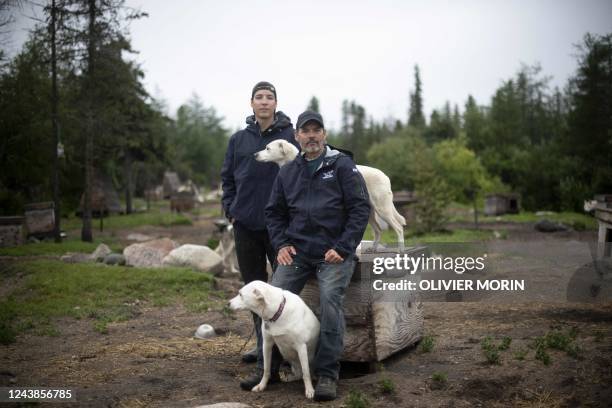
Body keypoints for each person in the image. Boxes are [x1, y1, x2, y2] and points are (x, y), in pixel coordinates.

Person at [262, 110, 371, 401]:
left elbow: (360, 209)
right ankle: (269, 370)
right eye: (305, 131)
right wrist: (281, 244)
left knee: (330, 300)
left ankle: (327, 374)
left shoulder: (342, 166)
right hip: (297, 252)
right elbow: (274, 212)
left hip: (333, 253)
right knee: (272, 298)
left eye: (316, 130)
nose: (311, 136)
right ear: (296, 136)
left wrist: (344, 247)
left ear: (323, 134)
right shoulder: (288, 172)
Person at [220, 81, 297, 366]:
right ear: (252, 104)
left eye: (269, 97)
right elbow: (227, 178)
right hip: (246, 224)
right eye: (259, 97)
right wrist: (230, 210)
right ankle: (261, 344)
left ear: (275, 103)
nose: (264, 102)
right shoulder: (239, 140)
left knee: (283, 288)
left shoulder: (291, 136)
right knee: (254, 287)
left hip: (281, 227)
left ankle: (286, 348)